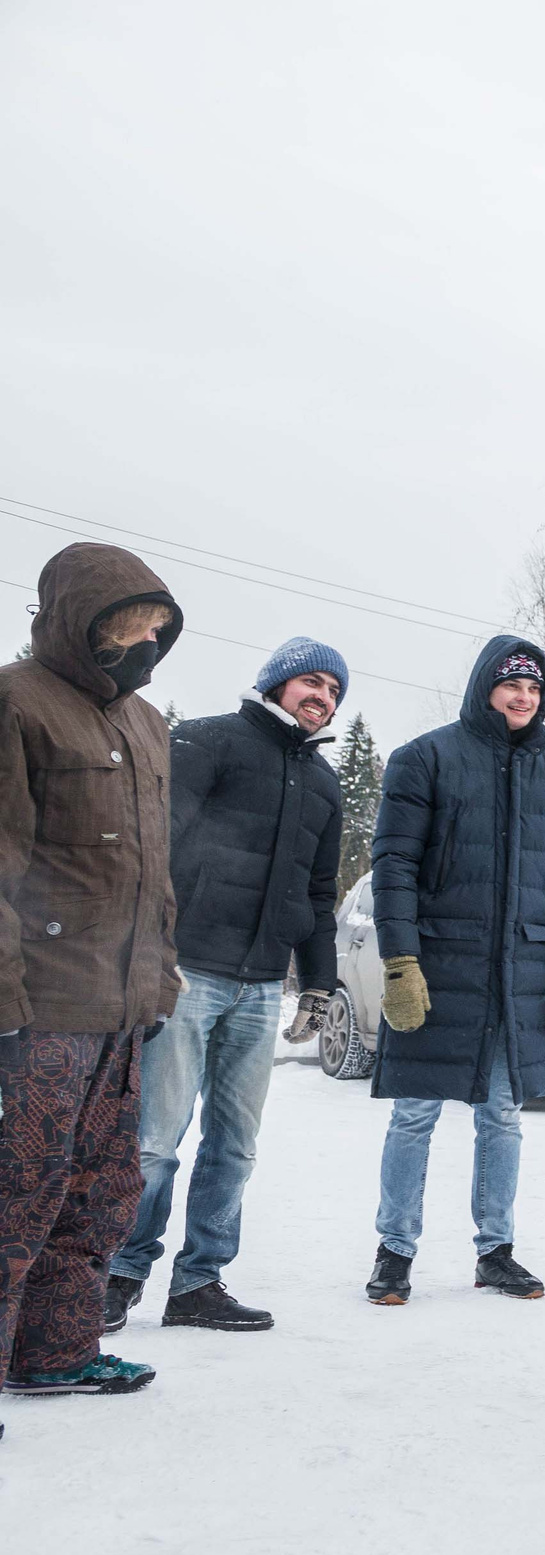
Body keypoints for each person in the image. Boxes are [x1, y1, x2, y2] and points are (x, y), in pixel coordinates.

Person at [105, 637, 347, 1336]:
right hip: (187, 973)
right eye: (312, 681)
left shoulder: (325, 784)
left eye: (334, 691)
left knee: (235, 1145)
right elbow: (156, 846)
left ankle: (199, 1282)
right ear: (275, 682)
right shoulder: (209, 741)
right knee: (155, 1139)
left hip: (262, 984)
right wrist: (151, 948)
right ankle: (120, 1272)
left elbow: (319, 891)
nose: (323, 697)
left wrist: (320, 984)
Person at [0, 543, 182, 1406]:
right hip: (43, 1003)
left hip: (121, 1009)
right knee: (17, 1191)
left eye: (155, 630)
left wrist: (161, 979)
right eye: (128, 629)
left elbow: (156, 869)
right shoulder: (17, 699)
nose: (144, 645)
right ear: (83, 625)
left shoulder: (148, 724)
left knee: (104, 1189)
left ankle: (54, 1351)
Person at [361, 637, 545, 1307]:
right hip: (439, 967)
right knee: (414, 1116)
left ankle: (497, 1252)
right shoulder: (425, 758)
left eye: (535, 687)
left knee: (503, 1116)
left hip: (517, 970)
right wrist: (400, 960)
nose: (525, 697)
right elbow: (394, 865)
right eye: (512, 685)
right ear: (484, 687)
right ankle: (394, 1251)